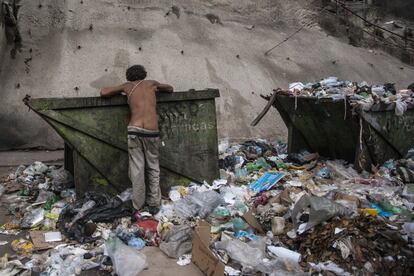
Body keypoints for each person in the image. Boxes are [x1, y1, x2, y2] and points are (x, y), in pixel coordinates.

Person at [100, 65, 173, 214]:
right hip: (152, 132)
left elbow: (103, 92)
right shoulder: (152, 84)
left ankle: (137, 205)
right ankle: (153, 203)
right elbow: (170, 88)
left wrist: (122, 90)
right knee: (153, 167)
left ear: (129, 76)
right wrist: (159, 87)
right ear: (144, 74)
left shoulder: (127, 86)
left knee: (137, 170)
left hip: (135, 130)